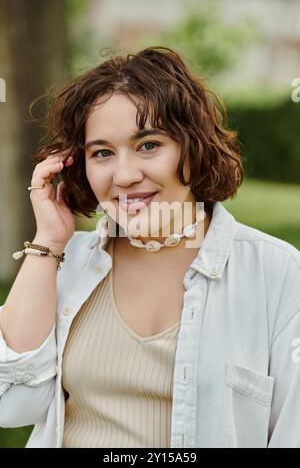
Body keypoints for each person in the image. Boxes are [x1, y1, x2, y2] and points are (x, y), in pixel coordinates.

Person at [0, 46, 299, 448]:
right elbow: (10, 405)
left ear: (193, 146)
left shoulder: (277, 274)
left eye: (149, 145)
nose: (124, 175)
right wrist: (48, 243)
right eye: (102, 153)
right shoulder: (65, 263)